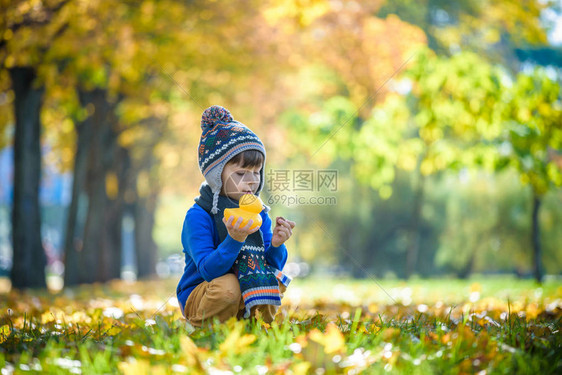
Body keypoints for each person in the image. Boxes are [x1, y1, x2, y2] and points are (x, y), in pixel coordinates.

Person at [176, 105, 296, 327]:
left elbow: (271, 263)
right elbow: (208, 270)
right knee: (229, 285)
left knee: (270, 278)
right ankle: (205, 327)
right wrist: (234, 239)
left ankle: (256, 328)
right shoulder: (199, 215)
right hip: (202, 295)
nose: (252, 180)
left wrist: (277, 244)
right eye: (241, 173)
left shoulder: (259, 214)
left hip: (240, 291)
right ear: (216, 175)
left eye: (256, 172)